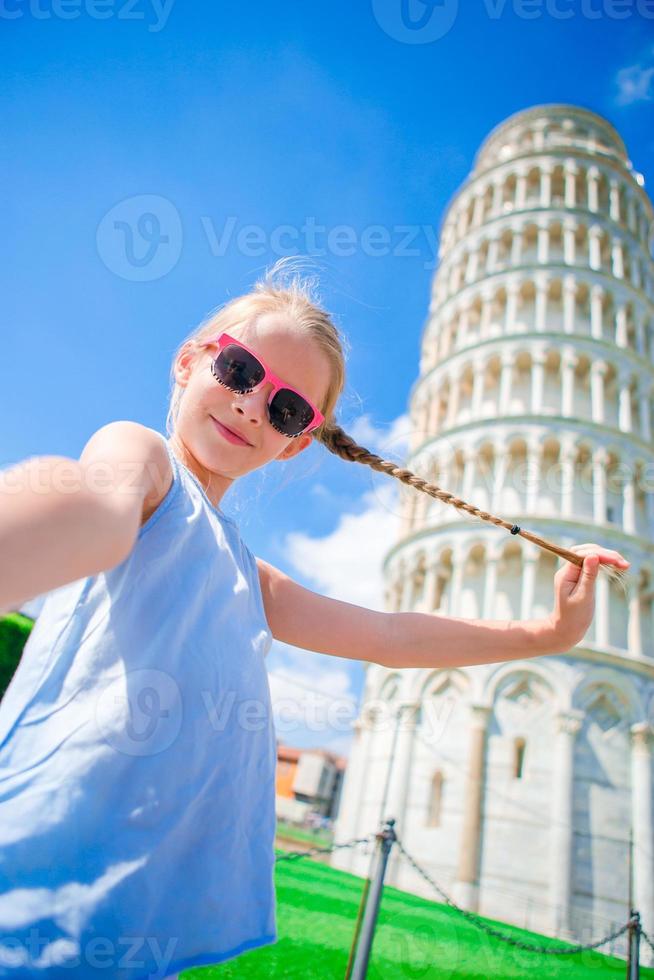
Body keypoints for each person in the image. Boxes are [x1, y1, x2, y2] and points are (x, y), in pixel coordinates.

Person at [0, 258, 630, 979]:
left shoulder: (242, 567)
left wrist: (544, 636)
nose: (251, 406)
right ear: (188, 362)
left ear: (298, 440)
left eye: (287, 408)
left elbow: (388, 636)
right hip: (40, 857)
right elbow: (93, 509)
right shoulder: (144, 461)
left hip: (138, 913)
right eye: (239, 370)